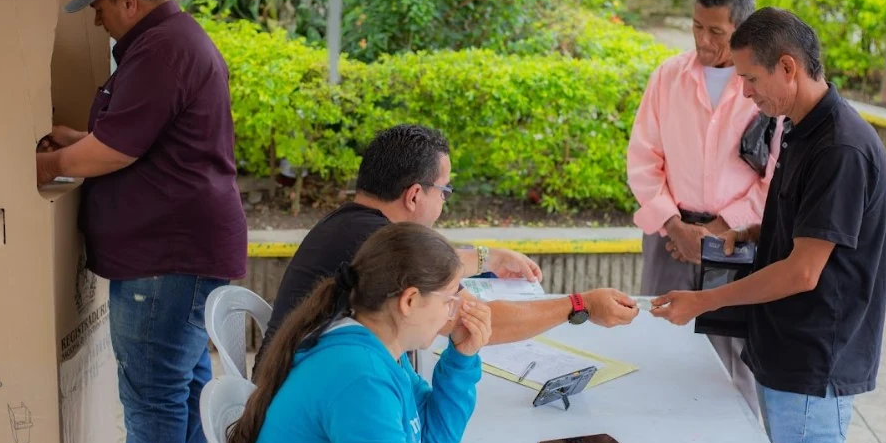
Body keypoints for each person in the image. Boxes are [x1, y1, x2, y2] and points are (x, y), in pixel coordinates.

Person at [652, 8, 886, 443]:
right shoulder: (801, 127)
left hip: (814, 361)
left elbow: (804, 271)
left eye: (751, 78)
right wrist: (753, 231)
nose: (745, 92)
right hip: (784, 346)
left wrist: (704, 301)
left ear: (788, 67)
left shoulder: (841, 147)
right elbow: (811, 223)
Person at [36, 0, 247, 443]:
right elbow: (142, 136)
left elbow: (116, 152)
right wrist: (80, 138)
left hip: (166, 253)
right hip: (183, 248)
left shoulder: (161, 49)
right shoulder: (172, 42)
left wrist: (48, 163)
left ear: (128, 0)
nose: (96, 19)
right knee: (181, 379)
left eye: (99, 6)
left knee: (152, 393)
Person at [230, 222, 598, 443]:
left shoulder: (380, 347)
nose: (454, 311)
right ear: (409, 301)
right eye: (450, 299)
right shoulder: (358, 377)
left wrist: (462, 356)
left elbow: (436, 431)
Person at [252, 124, 639, 376]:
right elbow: (478, 321)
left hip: (295, 385)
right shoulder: (382, 246)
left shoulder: (353, 224)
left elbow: (430, 262)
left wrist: (488, 257)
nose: (444, 202)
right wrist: (579, 305)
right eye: (444, 191)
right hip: (310, 413)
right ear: (414, 195)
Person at [626, 0, 779, 417]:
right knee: (659, 344)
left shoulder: (762, 88)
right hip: (668, 239)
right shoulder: (667, 77)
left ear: (743, 30)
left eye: (716, 32)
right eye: (696, 26)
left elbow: (774, 178)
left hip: (737, 244)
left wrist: (717, 230)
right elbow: (643, 158)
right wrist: (676, 226)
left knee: (731, 358)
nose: (702, 40)